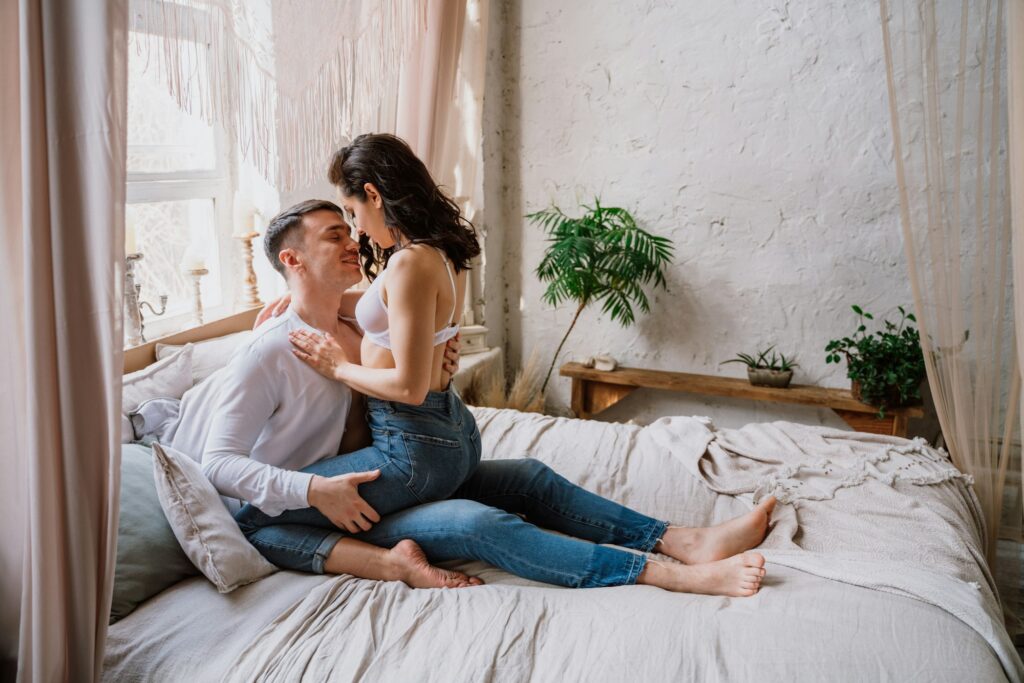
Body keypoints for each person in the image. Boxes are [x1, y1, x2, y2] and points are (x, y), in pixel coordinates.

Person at [271, 133, 773, 596]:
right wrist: (299, 302)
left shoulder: (406, 264)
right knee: (530, 477)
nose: (357, 230)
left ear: (374, 195)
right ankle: (679, 540)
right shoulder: (442, 252)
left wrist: (338, 367)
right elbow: (406, 334)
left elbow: (406, 386)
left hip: (412, 448)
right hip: (450, 435)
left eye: (353, 213)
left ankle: (672, 575)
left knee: (256, 517)